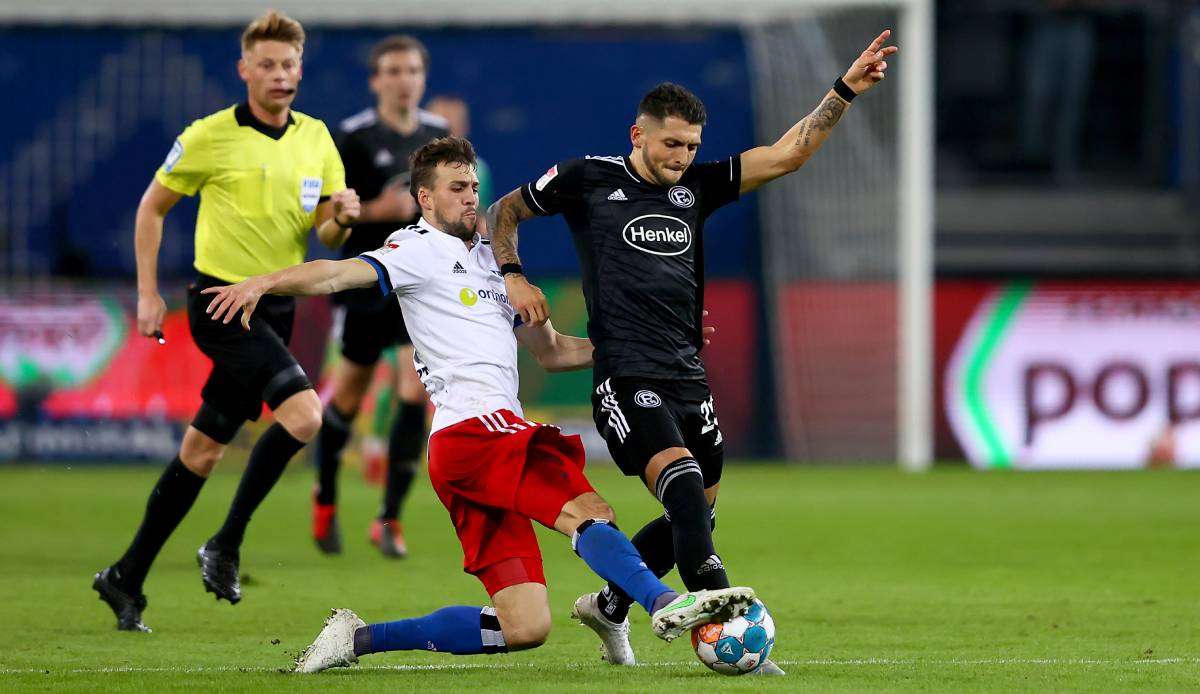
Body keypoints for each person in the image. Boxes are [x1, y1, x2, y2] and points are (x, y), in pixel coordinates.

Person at [195, 136, 754, 672]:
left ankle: (358, 638)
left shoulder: (495, 261)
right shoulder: (414, 249)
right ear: (425, 198)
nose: (470, 196)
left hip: (468, 453)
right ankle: (663, 604)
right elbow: (337, 274)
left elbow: (555, 352)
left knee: (524, 626)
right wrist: (262, 283)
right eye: (457, 187)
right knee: (590, 512)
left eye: (473, 186)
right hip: (476, 430)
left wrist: (649, 346)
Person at [488, 29, 898, 671]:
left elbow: (787, 154)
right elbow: (504, 209)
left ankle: (610, 606)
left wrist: (844, 89)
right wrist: (513, 273)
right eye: (671, 143)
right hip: (622, 371)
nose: (681, 156)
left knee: (697, 511)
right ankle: (728, 621)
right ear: (638, 135)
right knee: (680, 485)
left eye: (691, 146)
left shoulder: (696, 189)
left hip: (685, 369)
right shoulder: (585, 180)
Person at [91, 10, 360, 632]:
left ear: (301, 68)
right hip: (221, 301)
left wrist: (342, 215)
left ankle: (125, 577)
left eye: (289, 64)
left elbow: (322, 231)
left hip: (279, 305)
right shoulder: (209, 135)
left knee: (204, 450)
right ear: (244, 70)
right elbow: (152, 208)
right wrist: (146, 294)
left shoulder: (317, 138)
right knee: (305, 415)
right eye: (266, 64)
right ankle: (226, 544)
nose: (279, 75)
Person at [314, 35, 451, 558]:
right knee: (348, 396)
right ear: (376, 81)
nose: (404, 79)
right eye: (393, 71)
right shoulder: (352, 137)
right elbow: (332, 216)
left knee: (416, 393)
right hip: (367, 282)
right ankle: (325, 498)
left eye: (412, 69)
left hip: (417, 286)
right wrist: (378, 210)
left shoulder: (438, 134)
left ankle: (389, 518)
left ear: (423, 76)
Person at [425, 95, 493, 208]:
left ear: (465, 127)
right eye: (441, 128)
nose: (447, 134)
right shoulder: (412, 165)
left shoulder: (479, 169)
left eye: (456, 122)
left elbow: (480, 217)